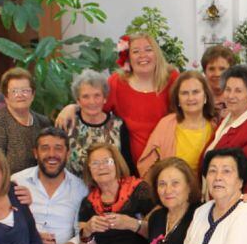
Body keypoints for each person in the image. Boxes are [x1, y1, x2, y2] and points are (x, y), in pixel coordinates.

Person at [56, 32, 179, 166]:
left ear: (156, 54)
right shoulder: (117, 82)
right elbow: (95, 104)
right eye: (136, 51)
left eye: (148, 49)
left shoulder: (172, 79)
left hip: (167, 160)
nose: (143, 55)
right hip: (130, 164)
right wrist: (72, 107)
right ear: (128, 58)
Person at [11, 127, 89, 244]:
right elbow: (2, 221)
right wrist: (32, 239)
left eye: (58, 148)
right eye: (45, 148)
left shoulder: (80, 189)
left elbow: (82, 233)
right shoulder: (17, 181)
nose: (51, 154)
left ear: (67, 153)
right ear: (35, 153)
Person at [202, 66, 247, 194]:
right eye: (228, 89)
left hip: (234, 206)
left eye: (238, 91)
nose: (231, 95)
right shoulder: (226, 120)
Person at [137, 70, 217, 178]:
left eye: (196, 92)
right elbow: (147, 167)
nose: (190, 98)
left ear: (205, 96)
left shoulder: (216, 128)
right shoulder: (166, 125)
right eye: (184, 93)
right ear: (178, 99)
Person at [63, 69, 132, 177]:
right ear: (78, 101)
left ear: (105, 98)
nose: (92, 102)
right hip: (74, 190)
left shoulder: (118, 126)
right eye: (86, 96)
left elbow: (127, 166)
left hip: (110, 190)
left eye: (97, 95)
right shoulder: (67, 123)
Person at [0, 67, 52, 173]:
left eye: (25, 90)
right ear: (6, 96)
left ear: (33, 95)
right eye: (14, 91)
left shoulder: (43, 122)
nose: (20, 95)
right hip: (10, 185)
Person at [201, 43, 236, 117]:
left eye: (222, 69)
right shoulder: (196, 97)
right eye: (211, 69)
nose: (217, 74)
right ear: (204, 71)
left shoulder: (241, 97)